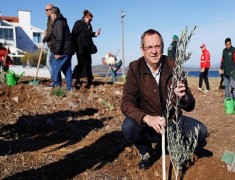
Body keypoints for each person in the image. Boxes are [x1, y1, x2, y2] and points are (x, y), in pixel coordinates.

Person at [121, 29, 208, 170]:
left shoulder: (174, 66)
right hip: (149, 125)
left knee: (201, 131)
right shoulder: (135, 68)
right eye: (149, 47)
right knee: (128, 126)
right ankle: (146, 151)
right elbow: (126, 103)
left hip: (173, 122)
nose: (154, 51)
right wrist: (146, 118)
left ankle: (172, 147)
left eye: (157, 46)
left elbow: (190, 105)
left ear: (162, 47)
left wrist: (183, 97)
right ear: (142, 50)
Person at [72, 9, 100, 89]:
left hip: (87, 48)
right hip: (80, 48)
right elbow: (73, 34)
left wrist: (95, 34)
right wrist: (74, 47)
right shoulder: (78, 23)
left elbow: (88, 34)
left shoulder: (89, 25)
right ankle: (77, 81)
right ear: (85, 17)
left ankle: (89, 82)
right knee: (81, 64)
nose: (90, 20)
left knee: (88, 64)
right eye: (89, 19)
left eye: (91, 19)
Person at [50, 7, 74, 91]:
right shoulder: (62, 22)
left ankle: (57, 88)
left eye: (51, 15)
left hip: (62, 51)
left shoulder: (58, 23)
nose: (50, 17)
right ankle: (69, 88)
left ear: (54, 15)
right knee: (67, 70)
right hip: (67, 50)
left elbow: (59, 38)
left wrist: (57, 52)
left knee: (56, 69)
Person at [42, 3, 54, 86]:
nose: (45, 11)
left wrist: (44, 39)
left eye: (47, 10)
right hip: (51, 43)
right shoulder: (49, 19)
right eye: (45, 10)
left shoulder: (53, 19)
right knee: (53, 63)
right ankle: (56, 79)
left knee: (48, 62)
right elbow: (49, 30)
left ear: (51, 10)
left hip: (53, 44)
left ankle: (55, 80)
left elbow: (51, 32)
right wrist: (46, 31)